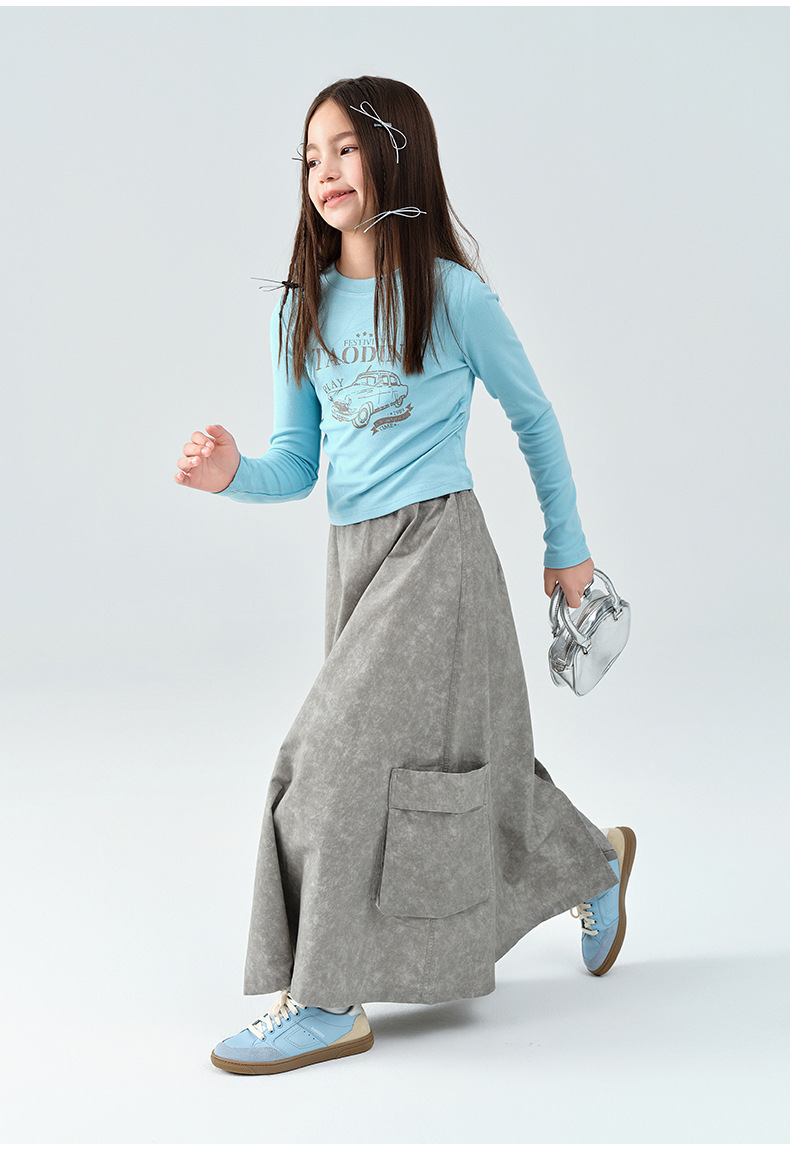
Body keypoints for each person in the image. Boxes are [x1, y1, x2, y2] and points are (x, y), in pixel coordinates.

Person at [174, 76, 636, 1077]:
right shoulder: (301, 308)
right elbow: (298, 466)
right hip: (353, 561)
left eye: (345, 148)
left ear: (397, 155)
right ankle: (593, 861)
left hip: (438, 556)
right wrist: (232, 475)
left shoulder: (452, 295)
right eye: (310, 157)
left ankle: (327, 997)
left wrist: (567, 548)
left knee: (328, 761)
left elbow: (534, 417)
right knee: (442, 768)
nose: (325, 172)